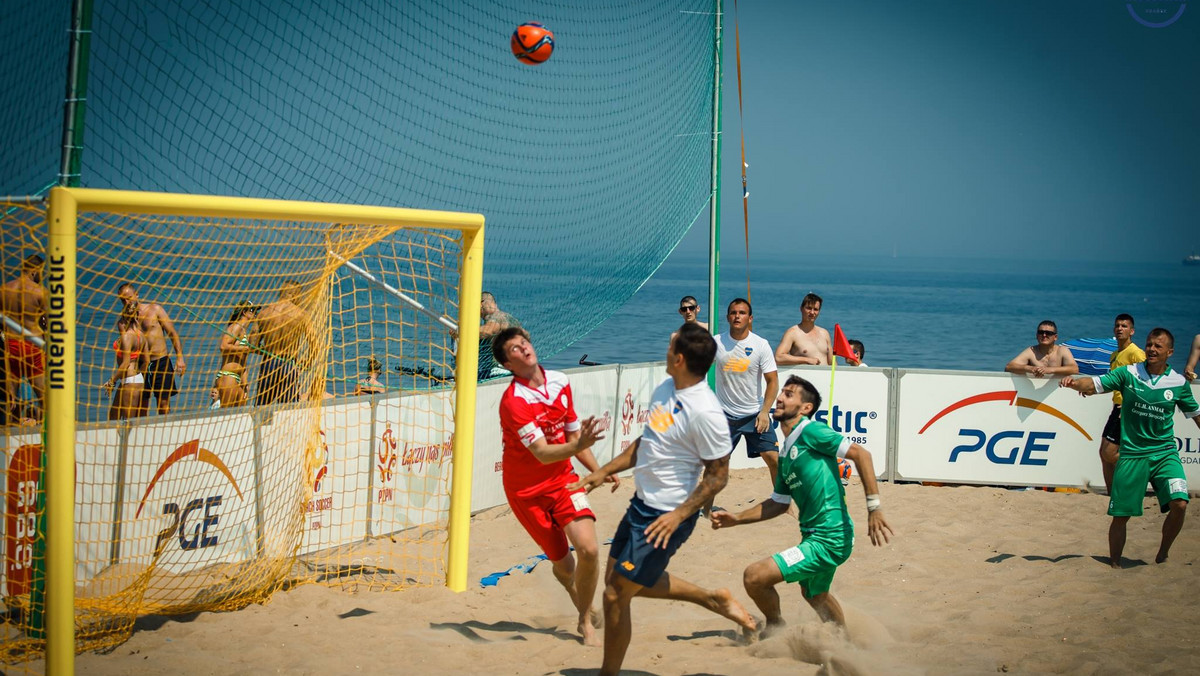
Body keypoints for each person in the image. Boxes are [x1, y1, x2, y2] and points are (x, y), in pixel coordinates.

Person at [570, 322, 757, 675]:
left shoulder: (706, 411)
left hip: (668, 514)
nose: (666, 349)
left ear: (680, 359)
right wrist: (600, 472)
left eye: (671, 346)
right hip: (641, 504)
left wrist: (678, 516)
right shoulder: (665, 387)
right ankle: (712, 598)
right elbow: (646, 443)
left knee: (614, 595)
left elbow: (718, 476)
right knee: (619, 585)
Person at [711, 375, 893, 635]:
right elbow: (778, 503)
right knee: (814, 595)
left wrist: (874, 507)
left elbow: (861, 454)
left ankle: (775, 627)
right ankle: (843, 642)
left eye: (789, 394)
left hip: (829, 538)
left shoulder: (810, 430)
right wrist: (737, 518)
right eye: (781, 392)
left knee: (754, 576)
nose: (780, 397)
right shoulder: (785, 451)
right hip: (818, 536)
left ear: (806, 407)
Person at [493, 326, 615, 645]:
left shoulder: (561, 381)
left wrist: (599, 470)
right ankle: (571, 590)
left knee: (588, 549)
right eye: (515, 350)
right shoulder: (513, 401)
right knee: (564, 565)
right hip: (526, 493)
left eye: (524, 343)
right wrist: (579, 447)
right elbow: (543, 452)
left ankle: (585, 621)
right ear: (508, 365)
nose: (523, 348)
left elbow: (574, 437)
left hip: (563, 481)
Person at [1059, 328, 1200, 568]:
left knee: (1180, 503)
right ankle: (1114, 563)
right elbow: (1093, 384)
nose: (1152, 349)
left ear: (1170, 352)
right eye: (1149, 345)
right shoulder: (1129, 373)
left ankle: (1163, 553)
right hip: (1133, 454)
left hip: (1165, 454)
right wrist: (1073, 383)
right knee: (1121, 515)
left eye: (1158, 346)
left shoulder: (1177, 382)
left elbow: (1196, 416)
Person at [714, 298, 780, 484]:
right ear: (727, 317)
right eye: (734, 313)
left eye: (742, 313)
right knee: (716, 466)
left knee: (774, 459)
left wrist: (765, 411)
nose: (737, 316)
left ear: (750, 318)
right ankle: (706, 510)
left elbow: (773, 381)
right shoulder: (716, 342)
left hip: (755, 414)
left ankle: (783, 504)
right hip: (725, 415)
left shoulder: (761, 345)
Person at [116, 283, 186, 415]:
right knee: (141, 406)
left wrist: (180, 358)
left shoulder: (155, 309)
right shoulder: (123, 322)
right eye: (122, 300)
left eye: (129, 297)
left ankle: (165, 432)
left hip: (161, 361)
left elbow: (173, 333)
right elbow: (126, 348)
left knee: (163, 405)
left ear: (136, 295)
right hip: (140, 365)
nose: (126, 302)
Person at [1097, 314, 1146, 492]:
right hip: (1116, 406)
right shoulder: (1115, 354)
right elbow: (1113, 383)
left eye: (1124, 326)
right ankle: (1112, 494)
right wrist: (1090, 390)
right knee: (1103, 453)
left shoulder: (1136, 353)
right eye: (1117, 325)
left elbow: (1147, 382)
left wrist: (1131, 406)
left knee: (1109, 453)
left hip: (1128, 408)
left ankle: (1142, 465)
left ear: (1131, 331)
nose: (1119, 328)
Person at [252, 280, 318, 406]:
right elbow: (314, 346)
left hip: (268, 364)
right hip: (288, 365)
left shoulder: (263, 313)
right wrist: (307, 362)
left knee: (262, 407)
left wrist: (265, 349)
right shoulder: (302, 315)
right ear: (295, 295)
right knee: (288, 409)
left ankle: (260, 425)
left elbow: (252, 343)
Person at [1, 254, 46, 420]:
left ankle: (10, 434)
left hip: (11, 346)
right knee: (45, 399)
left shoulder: (4, 289)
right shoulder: (40, 292)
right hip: (33, 347)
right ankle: (44, 432)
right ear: (34, 271)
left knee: (11, 398)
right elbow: (50, 325)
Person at [211, 301, 257, 409]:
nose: (255, 314)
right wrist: (242, 348)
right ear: (244, 312)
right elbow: (223, 346)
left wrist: (245, 383)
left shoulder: (244, 331)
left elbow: (243, 361)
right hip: (228, 376)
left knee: (240, 417)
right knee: (226, 416)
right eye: (252, 310)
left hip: (239, 379)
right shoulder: (237, 326)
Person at [103, 314, 149, 419]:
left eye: (119, 323)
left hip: (130, 380)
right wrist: (138, 377)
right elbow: (146, 362)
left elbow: (125, 363)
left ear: (123, 322)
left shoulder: (127, 336)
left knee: (128, 421)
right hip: (131, 379)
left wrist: (112, 381)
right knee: (113, 417)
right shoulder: (141, 336)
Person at [1004, 320, 1078, 378]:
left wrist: (1049, 370)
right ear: (1036, 335)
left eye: (1048, 333)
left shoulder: (1062, 350)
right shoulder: (1031, 351)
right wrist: (1031, 369)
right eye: (1041, 332)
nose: (1044, 335)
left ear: (1055, 337)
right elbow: (1009, 367)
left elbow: (1074, 369)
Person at [775, 293, 832, 366]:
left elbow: (832, 363)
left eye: (815, 309)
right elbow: (778, 357)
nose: (812, 312)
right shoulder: (792, 333)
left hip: (826, 376)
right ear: (801, 309)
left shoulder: (824, 333)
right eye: (808, 308)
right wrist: (806, 360)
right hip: (804, 376)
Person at [476, 291, 521, 380]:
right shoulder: (509, 317)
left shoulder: (496, 317)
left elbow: (488, 331)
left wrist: (462, 331)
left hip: (500, 371)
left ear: (481, 304)